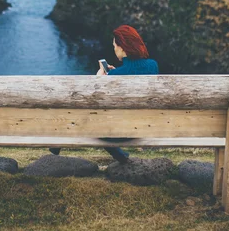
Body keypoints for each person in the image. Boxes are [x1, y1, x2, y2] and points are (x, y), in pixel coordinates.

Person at [50, 25, 159, 164]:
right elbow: (135, 72)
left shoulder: (115, 75)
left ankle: (56, 145)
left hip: (119, 132)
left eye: (114, 45)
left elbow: (91, 101)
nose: (114, 49)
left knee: (83, 115)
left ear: (122, 47)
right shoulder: (153, 65)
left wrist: (99, 80)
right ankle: (120, 154)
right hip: (144, 127)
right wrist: (111, 76)